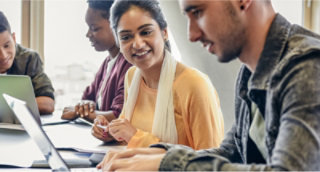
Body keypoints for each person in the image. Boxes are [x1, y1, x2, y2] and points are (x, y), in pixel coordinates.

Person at [97, 0, 320, 171]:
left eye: (198, 13)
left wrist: (172, 164)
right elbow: (231, 153)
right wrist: (156, 155)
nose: (192, 35)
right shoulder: (249, 71)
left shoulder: (307, 67)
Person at [92, 0, 224, 149]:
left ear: (164, 33)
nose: (138, 44)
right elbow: (128, 135)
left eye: (146, 32)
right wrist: (110, 132)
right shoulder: (132, 77)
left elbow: (210, 161)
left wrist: (135, 136)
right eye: (126, 37)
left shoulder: (195, 85)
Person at [61, 0, 132, 126]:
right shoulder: (107, 63)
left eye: (94, 28)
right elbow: (87, 98)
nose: (88, 34)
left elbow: (118, 116)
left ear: (115, 25)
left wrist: (79, 113)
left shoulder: (129, 64)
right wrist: (85, 106)